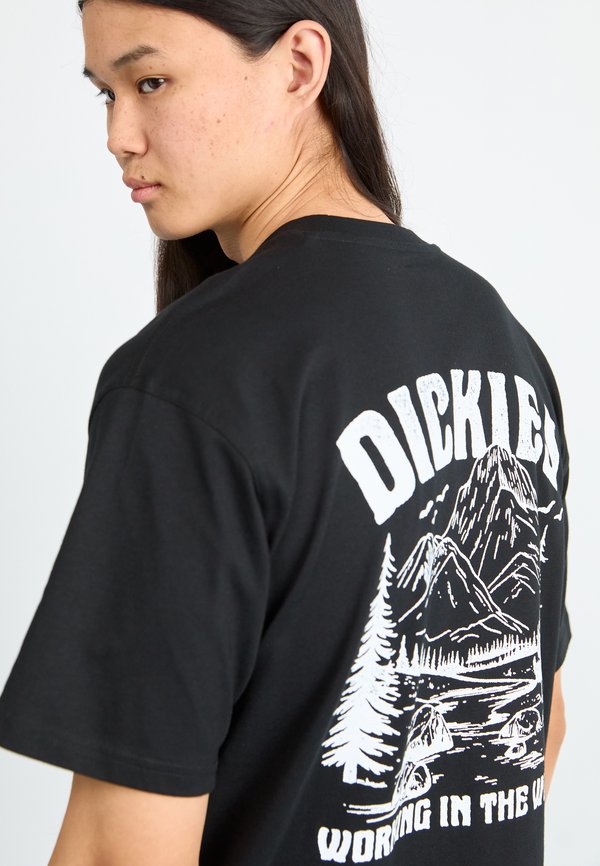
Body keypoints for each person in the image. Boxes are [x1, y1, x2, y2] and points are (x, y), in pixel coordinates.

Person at [0, 1, 571, 864]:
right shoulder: (501, 343)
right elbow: (541, 728)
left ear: (301, 65)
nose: (118, 135)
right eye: (104, 93)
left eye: (150, 82)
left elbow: (120, 852)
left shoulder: (190, 380)